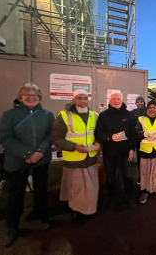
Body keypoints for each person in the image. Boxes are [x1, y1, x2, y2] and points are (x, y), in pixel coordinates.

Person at [0, 83, 55, 247]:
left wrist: (39, 152)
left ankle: (40, 216)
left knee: (41, 191)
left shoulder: (47, 115)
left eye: (34, 95)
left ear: (40, 97)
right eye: (27, 95)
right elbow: (5, 137)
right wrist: (27, 154)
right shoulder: (9, 115)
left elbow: (50, 135)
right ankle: (12, 227)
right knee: (15, 196)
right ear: (20, 97)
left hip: (41, 160)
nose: (31, 97)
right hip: (16, 162)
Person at [52, 89, 100, 221]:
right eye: (79, 98)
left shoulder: (95, 116)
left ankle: (89, 209)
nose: (83, 101)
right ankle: (76, 210)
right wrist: (74, 147)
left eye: (85, 98)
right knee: (76, 190)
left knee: (91, 189)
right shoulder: (64, 116)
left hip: (90, 159)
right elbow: (56, 138)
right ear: (73, 100)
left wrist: (98, 142)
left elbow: (97, 134)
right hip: (73, 160)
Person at [94, 90, 136, 210]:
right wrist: (110, 137)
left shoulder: (129, 115)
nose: (116, 101)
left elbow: (133, 134)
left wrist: (132, 148)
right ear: (109, 101)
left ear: (121, 100)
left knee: (128, 176)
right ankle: (112, 198)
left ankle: (128, 196)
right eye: (114, 99)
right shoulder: (103, 115)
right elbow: (98, 133)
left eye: (118, 99)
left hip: (125, 152)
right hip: (109, 152)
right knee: (111, 178)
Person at [131, 96, 147, 184]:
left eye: (141, 101)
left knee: (147, 158)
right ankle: (141, 176)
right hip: (138, 139)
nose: (139, 103)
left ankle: (148, 176)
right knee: (140, 159)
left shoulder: (148, 111)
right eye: (138, 102)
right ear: (135, 103)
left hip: (148, 139)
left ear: (144, 102)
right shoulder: (133, 113)